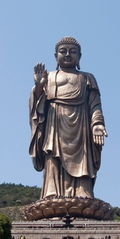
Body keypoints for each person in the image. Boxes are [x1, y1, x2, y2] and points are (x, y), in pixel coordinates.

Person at [29, 37, 108, 199]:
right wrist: (38, 87)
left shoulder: (87, 78)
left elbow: (95, 105)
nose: (67, 54)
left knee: (83, 159)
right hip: (54, 124)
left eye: (73, 51)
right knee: (52, 156)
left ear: (79, 56)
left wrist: (97, 124)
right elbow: (38, 106)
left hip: (81, 126)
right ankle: (52, 192)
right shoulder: (49, 77)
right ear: (55, 56)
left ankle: (83, 192)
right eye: (62, 51)